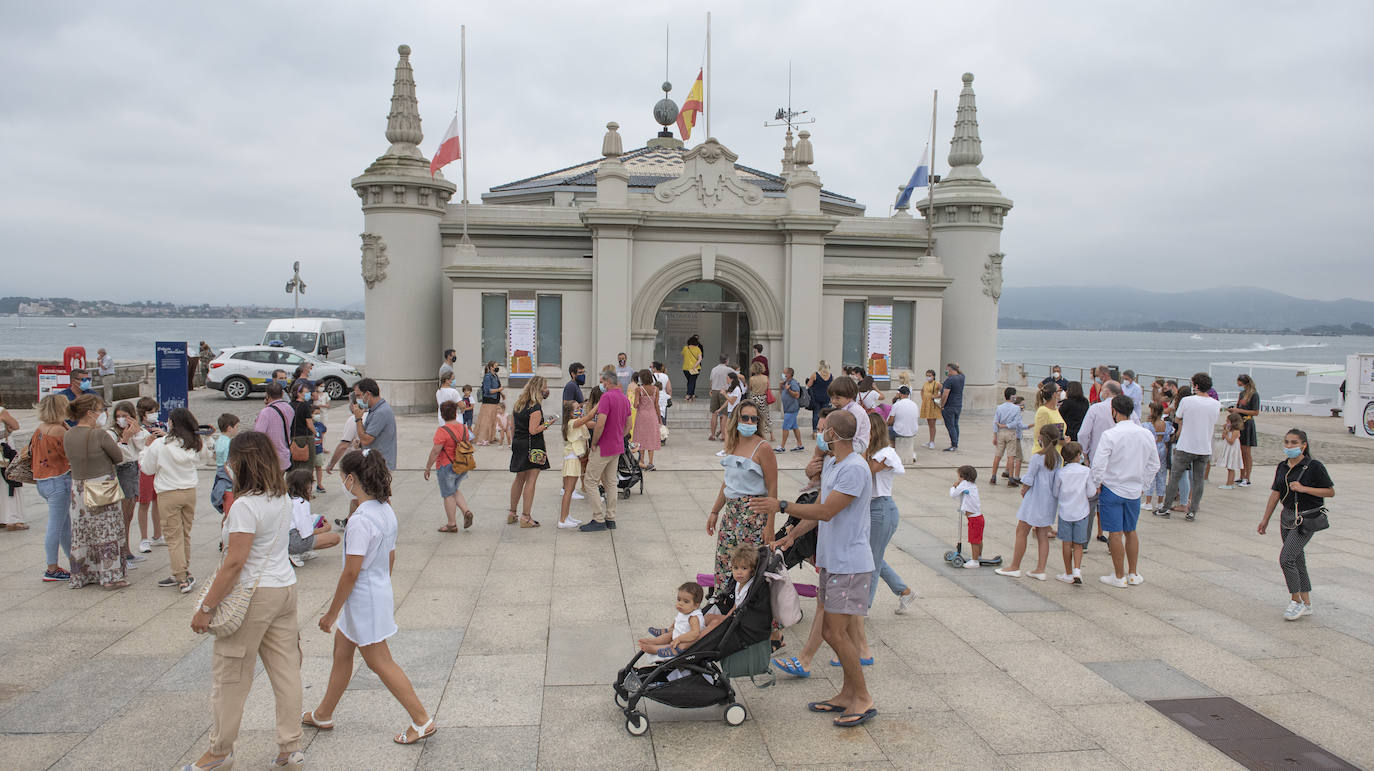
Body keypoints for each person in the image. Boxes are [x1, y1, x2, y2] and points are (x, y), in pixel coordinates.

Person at [747, 409, 877, 728]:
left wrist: (781, 505)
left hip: (850, 563)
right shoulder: (833, 463)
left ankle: (862, 697)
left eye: (821, 429)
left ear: (833, 433)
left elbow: (827, 511)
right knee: (836, 630)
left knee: (834, 631)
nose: (817, 433)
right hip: (832, 560)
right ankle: (848, 694)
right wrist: (790, 536)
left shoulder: (856, 469)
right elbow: (817, 509)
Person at [186, 431, 304, 771]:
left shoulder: (245, 505)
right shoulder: (280, 498)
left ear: (241, 463)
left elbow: (235, 562)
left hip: (253, 594)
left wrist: (207, 607)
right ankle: (290, 746)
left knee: (231, 676)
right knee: (286, 671)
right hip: (284, 588)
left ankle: (220, 751)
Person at [303, 450, 435, 746]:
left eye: (342, 478)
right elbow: (390, 555)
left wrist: (330, 613)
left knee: (380, 662)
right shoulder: (384, 509)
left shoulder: (361, 520)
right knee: (342, 652)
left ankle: (421, 719)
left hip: (362, 598)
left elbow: (351, 572)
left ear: (351, 479)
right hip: (373, 592)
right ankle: (323, 713)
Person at [1257, 428, 1333, 621]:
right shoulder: (1282, 467)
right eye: (1287, 442)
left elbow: (1329, 491)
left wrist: (1304, 488)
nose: (1289, 446)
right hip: (1287, 517)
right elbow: (1275, 493)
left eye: (1294, 443)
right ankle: (1306, 603)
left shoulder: (1314, 466)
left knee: (1286, 559)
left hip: (1305, 519)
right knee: (1297, 559)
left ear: (1303, 445)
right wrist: (1265, 519)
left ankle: (1295, 600)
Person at [706, 400, 779, 587]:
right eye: (744, 418)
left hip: (753, 514)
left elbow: (772, 488)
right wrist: (715, 511)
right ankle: (725, 603)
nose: (748, 422)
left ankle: (748, 609)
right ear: (736, 419)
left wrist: (770, 525)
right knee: (725, 561)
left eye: (753, 419)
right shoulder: (733, 443)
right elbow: (728, 483)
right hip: (731, 513)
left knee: (749, 566)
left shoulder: (763, 447)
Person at [1091, 395, 1160, 587]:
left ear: (1114, 411)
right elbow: (1154, 464)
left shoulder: (1110, 435)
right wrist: (1143, 485)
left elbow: (1098, 465)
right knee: (1131, 531)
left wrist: (1096, 483)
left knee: (1115, 533)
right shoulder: (1145, 433)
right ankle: (1133, 573)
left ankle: (1119, 575)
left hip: (1112, 487)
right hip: (1134, 489)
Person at [64, 394, 130, 589]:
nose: (103, 414)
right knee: (106, 530)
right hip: (102, 486)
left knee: (83, 531)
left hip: (78, 488)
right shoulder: (99, 434)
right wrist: (124, 440)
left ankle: (84, 573)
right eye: (101, 410)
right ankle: (110, 576)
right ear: (90, 413)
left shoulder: (68, 434)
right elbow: (118, 457)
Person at [142, 407, 209, 593]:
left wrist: (144, 449)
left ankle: (181, 577)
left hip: (168, 492)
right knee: (185, 534)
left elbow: (147, 469)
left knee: (173, 537)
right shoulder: (193, 443)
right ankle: (182, 569)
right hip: (189, 491)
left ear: (171, 423)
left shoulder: (159, 444)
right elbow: (203, 461)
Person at [995, 424, 1063, 581]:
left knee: (1021, 531)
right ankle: (1040, 569)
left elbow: (1030, 478)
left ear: (1042, 438)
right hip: (1049, 501)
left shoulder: (1038, 457)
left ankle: (1015, 566)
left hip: (1035, 499)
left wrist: (1024, 488)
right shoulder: (1057, 458)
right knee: (1042, 535)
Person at [863, 413, 915, 611]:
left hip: (881, 509)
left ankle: (863, 608)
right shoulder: (869, 453)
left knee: (872, 562)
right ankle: (904, 592)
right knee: (871, 556)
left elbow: (866, 471)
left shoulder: (886, 452)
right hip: (869, 509)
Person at [1157, 373, 1222, 521]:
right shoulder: (1216, 404)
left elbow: (1178, 417)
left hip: (1186, 445)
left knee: (1175, 477)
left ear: (1196, 386)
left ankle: (1166, 508)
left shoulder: (1187, 400)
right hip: (1204, 446)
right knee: (1198, 480)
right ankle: (1192, 510)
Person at [580, 369, 631, 532]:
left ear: (608, 382)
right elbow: (628, 425)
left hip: (603, 446)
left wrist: (594, 442)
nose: (601, 384)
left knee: (590, 481)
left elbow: (600, 423)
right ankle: (610, 518)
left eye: (602, 382)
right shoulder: (624, 399)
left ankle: (598, 518)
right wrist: (618, 436)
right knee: (611, 482)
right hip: (617, 446)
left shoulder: (606, 397)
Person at [32, 394, 74, 581]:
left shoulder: (40, 429)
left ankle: (74, 562)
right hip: (59, 480)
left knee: (65, 524)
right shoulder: (59, 431)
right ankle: (51, 568)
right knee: (56, 526)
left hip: (42, 481)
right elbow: (71, 452)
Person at [507, 376, 553, 528]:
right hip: (533, 446)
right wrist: (547, 424)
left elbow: (512, 427)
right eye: (545, 387)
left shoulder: (518, 404)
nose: (547, 390)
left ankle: (512, 513)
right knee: (531, 480)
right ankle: (526, 517)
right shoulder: (535, 407)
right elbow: (533, 430)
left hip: (518, 443)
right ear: (538, 389)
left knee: (519, 478)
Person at [424, 400, 475, 532]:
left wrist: (428, 467)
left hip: (446, 466)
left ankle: (451, 524)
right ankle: (466, 511)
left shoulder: (442, 431)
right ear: (455, 413)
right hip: (461, 465)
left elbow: (436, 451)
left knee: (448, 494)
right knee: (453, 490)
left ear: (442, 414)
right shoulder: (463, 427)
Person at [107, 401, 147, 562]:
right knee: (123, 514)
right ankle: (122, 551)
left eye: (125, 416)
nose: (122, 420)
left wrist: (135, 432)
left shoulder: (138, 431)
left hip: (134, 470)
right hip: (122, 471)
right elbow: (119, 455)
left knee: (129, 514)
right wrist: (125, 438)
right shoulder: (112, 433)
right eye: (119, 417)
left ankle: (127, 549)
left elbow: (141, 447)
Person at [1053, 442, 1094, 584]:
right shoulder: (1086, 471)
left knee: (1066, 543)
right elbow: (1091, 492)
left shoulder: (1061, 473)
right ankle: (1077, 570)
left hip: (1065, 512)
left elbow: (1055, 492)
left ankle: (1068, 572)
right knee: (1078, 544)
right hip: (1082, 511)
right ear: (1078, 455)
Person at [286, 468, 340, 566]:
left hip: (283, 540)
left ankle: (297, 551)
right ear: (307, 486)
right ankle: (296, 553)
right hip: (293, 542)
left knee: (316, 519)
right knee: (335, 538)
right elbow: (305, 533)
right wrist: (325, 529)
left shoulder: (288, 498)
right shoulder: (302, 502)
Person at [637, 582, 706, 656]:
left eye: (686, 601)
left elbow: (695, 633)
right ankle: (653, 641)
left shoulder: (693, 617)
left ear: (696, 605)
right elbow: (678, 620)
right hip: (679, 634)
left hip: (687, 641)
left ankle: (655, 649)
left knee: (673, 645)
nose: (680, 603)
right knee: (669, 635)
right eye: (679, 599)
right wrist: (671, 627)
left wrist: (679, 639)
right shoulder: (686, 611)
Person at [135, 396, 165, 551]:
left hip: (159, 467)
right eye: (151, 412)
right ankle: (144, 537)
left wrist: (164, 435)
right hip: (144, 469)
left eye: (156, 411)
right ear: (143, 413)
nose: (155, 415)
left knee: (158, 501)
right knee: (144, 502)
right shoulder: (138, 429)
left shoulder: (160, 425)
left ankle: (158, 534)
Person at [557, 400, 592, 529]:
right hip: (572, 459)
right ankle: (562, 519)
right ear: (571, 413)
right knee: (569, 491)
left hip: (572, 458)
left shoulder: (575, 422)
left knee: (569, 490)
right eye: (577, 408)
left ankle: (566, 516)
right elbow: (588, 418)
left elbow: (590, 422)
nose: (580, 409)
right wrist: (599, 405)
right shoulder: (573, 423)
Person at [352, 378, 398, 471]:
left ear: (368, 394)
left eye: (359, 396)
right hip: (373, 463)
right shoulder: (374, 410)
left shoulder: (380, 412)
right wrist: (360, 443)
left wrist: (358, 419)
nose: (357, 400)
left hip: (378, 466)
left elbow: (366, 440)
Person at [254, 382, 295, 472]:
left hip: (269, 456)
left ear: (267, 395)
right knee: (278, 484)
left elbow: (258, 435)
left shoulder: (265, 412)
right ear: (282, 393)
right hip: (284, 454)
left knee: (269, 484)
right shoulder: (289, 408)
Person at [0, 397, 26, 531]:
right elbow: (16, 425)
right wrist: (7, 431)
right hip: (4, 451)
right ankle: (14, 519)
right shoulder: (1, 411)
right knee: (11, 482)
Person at [1230, 374, 1260, 486]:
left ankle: (1247, 478)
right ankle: (1241, 476)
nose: (1238, 385)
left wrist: (1239, 410)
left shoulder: (1254, 394)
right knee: (1241, 452)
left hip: (1248, 424)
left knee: (1247, 452)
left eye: (1239, 382)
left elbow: (1255, 412)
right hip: (1240, 422)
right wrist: (1234, 411)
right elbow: (1240, 408)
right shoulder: (1242, 394)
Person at [827, 376, 870, 455]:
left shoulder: (856, 411)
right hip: (846, 441)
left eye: (837, 398)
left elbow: (853, 434)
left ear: (850, 397)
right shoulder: (844, 408)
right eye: (831, 398)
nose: (833, 401)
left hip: (858, 444)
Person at [950, 466, 983, 567]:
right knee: (978, 539)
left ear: (962, 476)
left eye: (958, 476)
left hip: (974, 519)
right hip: (978, 517)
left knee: (974, 540)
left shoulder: (964, 484)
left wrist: (953, 486)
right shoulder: (972, 485)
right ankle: (978, 556)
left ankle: (975, 561)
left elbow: (953, 495)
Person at [991, 388, 1024, 487]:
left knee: (998, 455)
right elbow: (1016, 423)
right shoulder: (1016, 408)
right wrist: (1006, 425)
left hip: (1001, 433)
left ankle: (993, 476)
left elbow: (995, 422)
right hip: (1011, 433)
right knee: (1011, 456)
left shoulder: (999, 407)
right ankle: (1010, 478)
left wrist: (995, 435)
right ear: (1012, 396)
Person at [630, 369, 661, 469]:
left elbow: (635, 405)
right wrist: (659, 418)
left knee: (641, 438)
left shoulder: (639, 389)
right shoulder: (656, 389)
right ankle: (651, 462)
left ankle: (642, 461)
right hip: (652, 416)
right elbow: (657, 405)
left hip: (642, 416)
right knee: (651, 438)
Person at [211, 413, 240, 517]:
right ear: (229, 428)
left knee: (226, 514)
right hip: (228, 482)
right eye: (236, 427)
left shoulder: (219, 440)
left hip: (220, 476)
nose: (237, 429)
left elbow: (214, 456)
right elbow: (227, 465)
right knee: (230, 515)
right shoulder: (229, 443)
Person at [1144, 402, 1171, 511]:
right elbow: (1167, 439)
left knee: (1150, 473)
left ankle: (1148, 501)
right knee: (1161, 474)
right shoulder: (1166, 424)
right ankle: (1160, 501)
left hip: (1152, 448)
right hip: (1162, 447)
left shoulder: (1149, 425)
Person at [1031, 382, 1067, 456]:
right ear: (1054, 394)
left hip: (1057, 455)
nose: (1062, 392)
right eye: (1060, 390)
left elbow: (1058, 431)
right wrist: (1062, 441)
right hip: (1046, 456)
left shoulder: (1055, 409)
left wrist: (1064, 438)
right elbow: (1040, 435)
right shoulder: (1043, 411)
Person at [288, 381, 316, 474]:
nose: (308, 394)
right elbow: (309, 423)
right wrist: (315, 432)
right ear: (299, 394)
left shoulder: (290, 405)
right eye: (306, 392)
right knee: (307, 464)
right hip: (305, 437)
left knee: (294, 465)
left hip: (292, 437)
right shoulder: (305, 406)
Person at [886, 386, 919, 464]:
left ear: (900, 394)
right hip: (913, 431)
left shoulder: (897, 405)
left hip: (900, 431)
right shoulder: (914, 404)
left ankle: (893, 451)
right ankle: (910, 454)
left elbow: (890, 421)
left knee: (888, 430)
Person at [475, 361, 503, 446]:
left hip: (495, 400)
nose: (497, 367)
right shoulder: (488, 376)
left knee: (493, 420)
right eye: (496, 366)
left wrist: (502, 394)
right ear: (491, 367)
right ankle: (483, 438)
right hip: (489, 401)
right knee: (486, 420)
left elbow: (498, 387)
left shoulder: (496, 376)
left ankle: (491, 437)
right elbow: (487, 390)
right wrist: (498, 390)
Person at [1215, 413, 1245, 489]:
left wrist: (1226, 436)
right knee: (1229, 467)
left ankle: (1229, 484)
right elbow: (1223, 438)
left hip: (1232, 449)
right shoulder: (1229, 430)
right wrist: (1225, 431)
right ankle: (1230, 483)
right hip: (1228, 448)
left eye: (1228, 421)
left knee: (1231, 467)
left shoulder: (1236, 431)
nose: (1226, 422)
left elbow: (1231, 441)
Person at [708, 355, 735, 441]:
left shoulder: (714, 369)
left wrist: (711, 389)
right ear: (726, 360)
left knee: (714, 413)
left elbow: (711, 381)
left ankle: (712, 435)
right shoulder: (729, 369)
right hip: (724, 391)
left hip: (715, 390)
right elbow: (737, 376)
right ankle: (723, 435)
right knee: (724, 414)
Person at [939, 363, 965, 452]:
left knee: (950, 426)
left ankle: (953, 444)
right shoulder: (962, 377)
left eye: (947, 369)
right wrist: (958, 367)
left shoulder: (949, 380)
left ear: (951, 370)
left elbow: (945, 394)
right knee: (955, 425)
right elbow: (961, 372)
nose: (946, 371)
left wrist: (942, 405)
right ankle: (956, 443)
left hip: (949, 406)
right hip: (958, 405)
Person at [778, 368, 805, 452]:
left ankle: (782, 446)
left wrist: (788, 389)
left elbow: (797, 395)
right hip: (788, 408)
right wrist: (781, 386)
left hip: (792, 409)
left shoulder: (793, 383)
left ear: (789, 374)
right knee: (794, 427)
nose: (782, 374)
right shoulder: (786, 382)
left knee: (785, 427)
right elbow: (781, 393)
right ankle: (800, 445)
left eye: (784, 372)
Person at [746, 362, 772, 443]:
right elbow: (768, 387)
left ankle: (755, 434)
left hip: (754, 398)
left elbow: (750, 388)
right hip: (763, 397)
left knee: (754, 416)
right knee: (766, 416)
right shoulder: (766, 378)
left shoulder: (752, 379)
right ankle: (771, 435)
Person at [806, 362, 834, 436]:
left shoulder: (815, 374)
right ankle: (823, 431)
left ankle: (815, 432)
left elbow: (808, 385)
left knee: (816, 414)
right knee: (824, 415)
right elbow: (831, 387)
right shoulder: (830, 376)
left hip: (816, 398)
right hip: (826, 398)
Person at [918, 368, 941, 449]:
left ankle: (932, 441)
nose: (928, 377)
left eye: (930, 376)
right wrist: (923, 398)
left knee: (932, 424)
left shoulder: (937, 383)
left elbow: (943, 392)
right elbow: (922, 391)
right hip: (926, 404)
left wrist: (935, 396)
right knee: (929, 423)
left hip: (933, 405)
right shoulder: (925, 383)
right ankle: (930, 440)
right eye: (927, 376)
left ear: (933, 376)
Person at [311, 404, 328, 494]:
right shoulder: (308, 424)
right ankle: (309, 485)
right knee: (310, 469)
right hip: (310, 450)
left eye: (319, 413)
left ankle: (319, 484)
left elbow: (324, 430)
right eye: (315, 413)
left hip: (319, 449)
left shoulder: (320, 425)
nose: (318, 415)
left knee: (319, 467)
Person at [681, 336, 703, 402]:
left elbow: (682, 354)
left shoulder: (685, 348)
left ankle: (692, 395)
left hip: (685, 369)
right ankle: (688, 395)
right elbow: (700, 359)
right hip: (694, 369)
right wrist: (695, 366)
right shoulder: (697, 349)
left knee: (690, 381)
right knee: (692, 381)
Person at [651, 361, 672, 425]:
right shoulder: (665, 376)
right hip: (663, 400)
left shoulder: (651, 376)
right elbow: (669, 389)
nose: (650, 369)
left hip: (653, 398)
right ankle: (663, 432)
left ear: (655, 368)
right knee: (663, 419)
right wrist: (668, 398)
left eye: (651, 367)